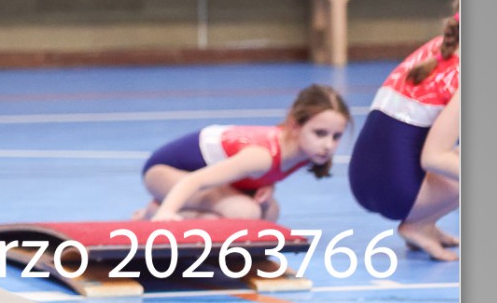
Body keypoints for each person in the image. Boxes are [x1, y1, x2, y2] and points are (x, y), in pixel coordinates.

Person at [135, 84, 351, 223]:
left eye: (336, 136)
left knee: (270, 211)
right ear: (295, 125)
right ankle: (153, 211)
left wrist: (268, 185)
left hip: (199, 180)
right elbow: (196, 180)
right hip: (164, 174)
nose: (328, 145)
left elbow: (267, 173)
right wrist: (166, 212)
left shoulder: (304, 149)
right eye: (320, 133)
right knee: (245, 213)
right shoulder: (261, 156)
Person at [347, 4, 460, 260]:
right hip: (395, 191)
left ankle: (426, 224)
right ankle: (417, 226)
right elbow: (434, 158)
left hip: (363, 180)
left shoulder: (441, 46)